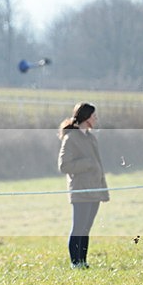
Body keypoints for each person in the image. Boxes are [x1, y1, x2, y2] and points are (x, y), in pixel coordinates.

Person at [58, 102, 109, 268]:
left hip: (95, 190)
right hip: (80, 190)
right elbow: (64, 166)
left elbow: (98, 166)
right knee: (78, 228)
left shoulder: (91, 137)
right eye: (94, 116)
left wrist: (103, 189)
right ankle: (75, 263)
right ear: (86, 118)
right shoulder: (70, 138)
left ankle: (83, 261)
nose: (96, 119)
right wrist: (86, 163)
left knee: (86, 228)